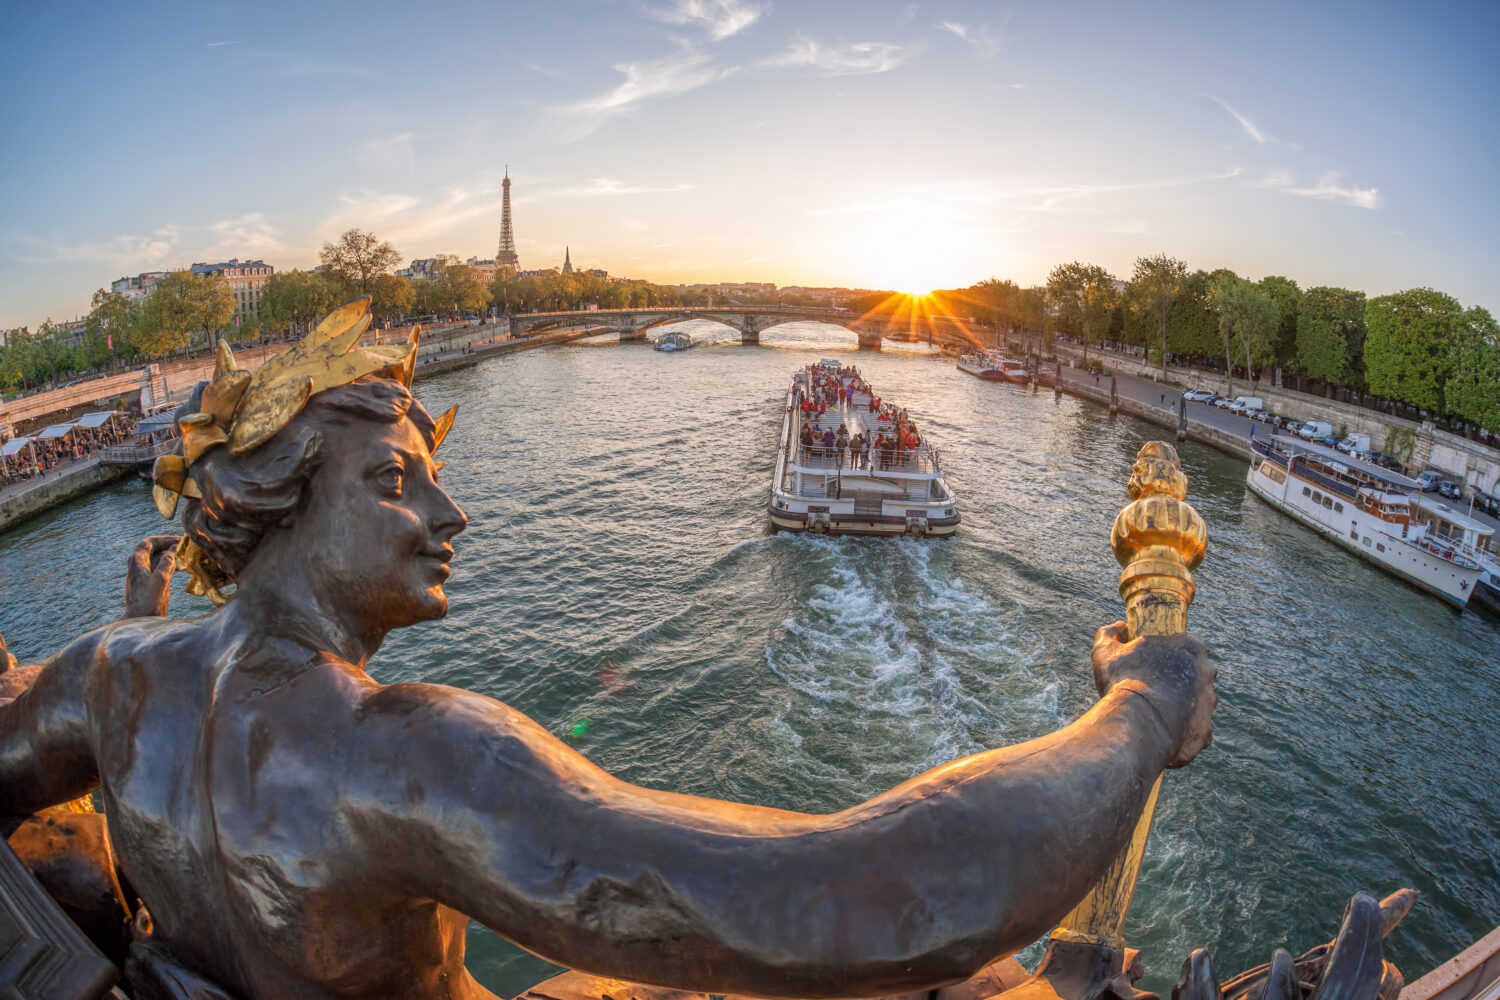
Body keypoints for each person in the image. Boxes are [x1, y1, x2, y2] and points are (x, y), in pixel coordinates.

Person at [0, 306, 1215, 999]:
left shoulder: (112, 672)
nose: (449, 515)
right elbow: (866, 897)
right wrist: (1140, 715)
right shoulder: (403, 754)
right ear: (282, 501)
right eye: (395, 480)